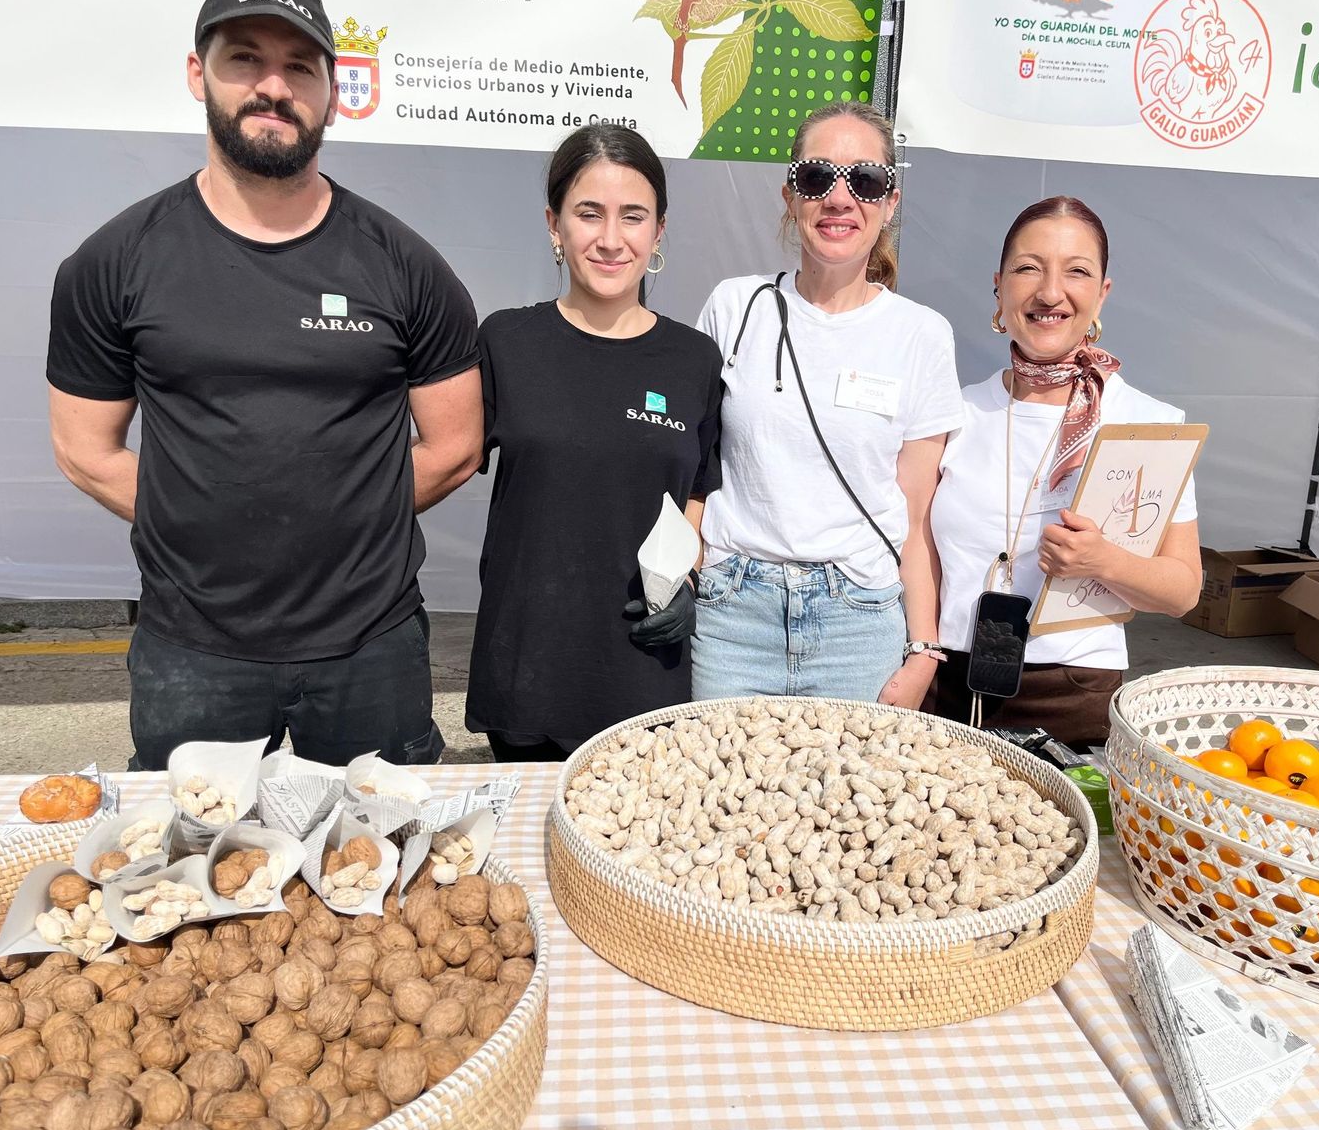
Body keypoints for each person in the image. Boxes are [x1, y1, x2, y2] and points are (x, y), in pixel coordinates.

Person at [46, 0, 483, 770]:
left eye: (301, 67)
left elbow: (456, 444)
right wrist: (202, 522)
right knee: (193, 880)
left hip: (370, 646)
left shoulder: (406, 265)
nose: (274, 87)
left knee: (383, 870)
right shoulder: (115, 262)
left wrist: (343, 521)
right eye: (245, 58)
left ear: (334, 92)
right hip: (192, 650)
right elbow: (85, 448)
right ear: (196, 73)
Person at [690, 102, 964, 707]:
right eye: (818, 176)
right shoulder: (734, 308)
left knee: (847, 800)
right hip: (734, 616)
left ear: (890, 202)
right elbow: (693, 469)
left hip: (859, 622)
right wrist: (690, 571)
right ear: (791, 195)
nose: (841, 198)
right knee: (726, 799)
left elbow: (916, 517)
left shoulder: (921, 335)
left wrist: (923, 651)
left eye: (865, 180)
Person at [465, 125, 723, 763]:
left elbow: (697, 489)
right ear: (555, 225)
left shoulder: (694, 358)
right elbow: (447, 456)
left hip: (640, 669)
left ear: (658, 232)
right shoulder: (506, 343)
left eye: (633, 216)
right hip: (528, 665)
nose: (611, 239)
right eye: (589, 214)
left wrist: (687, 579)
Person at [928, 196, 1202, 748]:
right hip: (946, 687)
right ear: (999, 287)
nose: (1050, 292)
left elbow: (1184, 591)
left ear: (1102, 293)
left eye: (1077, 271)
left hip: (1074, 693)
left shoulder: (1147, 425)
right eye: (1028, 268)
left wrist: (1105, 561)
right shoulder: (950, 414)